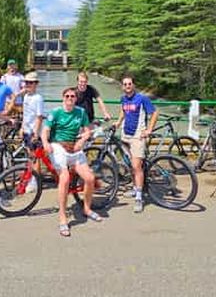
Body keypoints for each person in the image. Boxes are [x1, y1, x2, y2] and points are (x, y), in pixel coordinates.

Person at [42, 87, 103, 237]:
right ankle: (62, 217)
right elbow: (45, 130)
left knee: (89, 178)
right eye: (67, 96)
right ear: (63, 98)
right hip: (58, 146)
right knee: (65, 178)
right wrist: (45, 142)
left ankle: (87, 208)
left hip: (75, 146)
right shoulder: (56, 112)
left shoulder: (80, 112)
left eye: (72, 96)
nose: (70, 98)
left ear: (76, 99)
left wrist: (82, 140)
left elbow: (87, 130)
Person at [114, 75, 157, 213]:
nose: (127, 86)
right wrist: (118, 122)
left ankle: (139, 197)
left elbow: (155, 113)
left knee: (136, 166)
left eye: (129, 84)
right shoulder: (123, 99)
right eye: (125, 84)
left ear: (133, 85)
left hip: (137, 136)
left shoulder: (142, 98)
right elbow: (123, 110)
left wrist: (149, 129)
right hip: (125, 135)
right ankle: (134, 188)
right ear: (122, 86)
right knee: (129, 164)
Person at [20, 71, 45, 192]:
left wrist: (36, 133)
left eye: (31, 83)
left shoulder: (38, 98)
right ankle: (32, 178)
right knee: (30, 156)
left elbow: (39, 117)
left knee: (35, 157)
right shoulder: (26, 96)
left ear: (36, 84)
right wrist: (22, 128)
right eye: (27, 82)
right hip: (26, 130)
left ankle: (36, 181)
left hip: (33, 132)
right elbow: (25, 114)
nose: (28, 84)